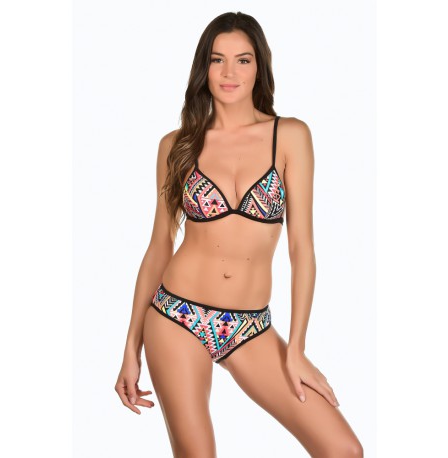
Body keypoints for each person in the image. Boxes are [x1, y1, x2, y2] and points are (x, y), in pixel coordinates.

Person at [115, 11, 363, 458]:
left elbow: (302, 249)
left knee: (343, 449)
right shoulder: (177, 145)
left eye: (243, 60)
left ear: (259, 67)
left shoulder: (289, 135)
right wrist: (130, 348)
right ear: (204, 68)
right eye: (218, 60)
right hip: (175, 316)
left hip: (250, 326)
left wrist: (296, 348)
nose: (230, 73)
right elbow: (158, 247)